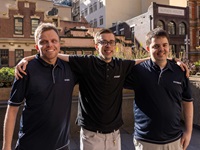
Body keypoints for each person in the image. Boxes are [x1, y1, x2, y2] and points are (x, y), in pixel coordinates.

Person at [14, 28, 189, 150]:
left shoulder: (121, 65)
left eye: (111, 42)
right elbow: (54, 53)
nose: (108, 46)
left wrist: (173, 61)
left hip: (115, 135)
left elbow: (142, 60)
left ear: (115, 45)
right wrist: (30, 58)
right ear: (96, 45)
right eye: (103, 42)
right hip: (91, 135)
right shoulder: (86, 63)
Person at [2, 23, 77, 150]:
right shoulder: (25, 70)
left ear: (60, 44)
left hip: (62, 146)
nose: (50, 45)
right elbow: (12, 109)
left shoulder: (70, 69)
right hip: (30, 146)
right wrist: (6, 147)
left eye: (54, 41)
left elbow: (89, 62)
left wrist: (28, 57)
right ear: (37, 46)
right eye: (44, 42)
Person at [124, 28, 194, 150]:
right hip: (146, 141)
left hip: (174, 140)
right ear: (148, 49)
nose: (161, 49)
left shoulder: (180, 71)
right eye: (156, 46)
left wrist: (188, 132)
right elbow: (120, 66)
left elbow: (187, 101)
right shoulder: (138, 71)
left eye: (165, 45)